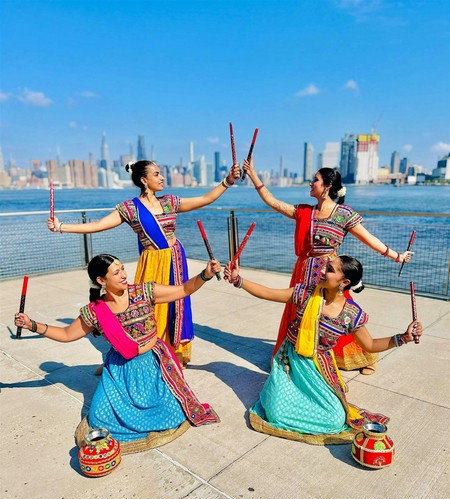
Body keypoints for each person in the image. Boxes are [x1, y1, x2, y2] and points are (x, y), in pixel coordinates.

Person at [14, 254, 222, 454]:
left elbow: (184, 289)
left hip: (153, 363)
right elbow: (67, 334)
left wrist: (205, 274)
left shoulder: (144, 291)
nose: (124, 274)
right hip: (121, 370)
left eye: (122, 268)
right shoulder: (95, 311)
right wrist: (32, 324)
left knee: (173, 413)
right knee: (98, 418)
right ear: (101, 280)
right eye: (116, 272)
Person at [48, 160, 241, 367]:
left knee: (177, 303)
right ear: (144, 180)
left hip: (175, 259)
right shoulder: (130, 208)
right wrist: (61, 227)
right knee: (145, 307)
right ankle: (147, 351)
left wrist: (227, 181)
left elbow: (205, 199)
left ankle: (172, 350)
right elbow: (98, 225)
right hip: (152, 262)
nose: (161, 177)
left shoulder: (169, 202)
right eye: (156, 174)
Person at [241, 157, 414, 375]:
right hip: (304, 270)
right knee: (301, 314)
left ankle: (366, 356)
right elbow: (273, 202)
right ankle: (299, 355)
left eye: (315, 180)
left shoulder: (343, 214)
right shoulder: (306, 212)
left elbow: (368, 238)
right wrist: (253, 174)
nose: (310, 183)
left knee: (338, 316)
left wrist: (397, 256)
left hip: (330, 273)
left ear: (326, 187)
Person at [224, 255, 422, 445]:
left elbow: (370, 345)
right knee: (274, 412)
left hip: (318, 367)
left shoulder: (350, 314)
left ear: (344, 282)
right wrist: (239, 280)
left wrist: (403, 338)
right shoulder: (306, 293)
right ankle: (287, 395)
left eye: (330, 269)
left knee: (335, 420)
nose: (323, 270)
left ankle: (301, 400)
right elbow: (269, 293)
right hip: (289, 363)